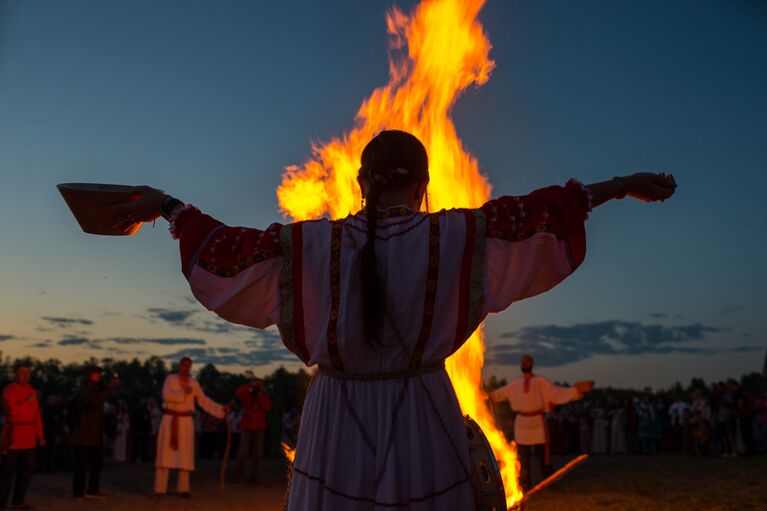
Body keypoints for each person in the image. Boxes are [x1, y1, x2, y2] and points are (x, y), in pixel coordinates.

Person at [108, 129, 676, 509]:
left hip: (335, 420)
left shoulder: (310, 244)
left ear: (359, 183)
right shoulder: (455, 236)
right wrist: (622, 187)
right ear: (422, 185)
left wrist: (166, 206)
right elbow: (541, 214)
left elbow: (224, 252)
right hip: (424, 417)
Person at [490, 355, 592, 490]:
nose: (525, 363)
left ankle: (550, 483)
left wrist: (574, 391)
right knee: (523, 460)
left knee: (543, 458)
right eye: (523, 361)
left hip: (537, 424)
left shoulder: (540, 381)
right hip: (521, 425)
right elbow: (498, 394)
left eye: (527, 361)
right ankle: (525, 485)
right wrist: (483, 395)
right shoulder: (515, 384)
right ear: (521, 365)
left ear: (531, 364)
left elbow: (556, 393)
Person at [154, 357, 227, 498]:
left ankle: (183, 488)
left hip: (186, 421)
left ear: (190, 367)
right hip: (170, 420)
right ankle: (160, 489)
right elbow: (166, 396)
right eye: (184, 365)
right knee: (165, 455)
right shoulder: (170, 379)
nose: (186, 367)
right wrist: (183, 392)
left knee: (185, 455)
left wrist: (221, 410)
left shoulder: (193, 383)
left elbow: (203, 400)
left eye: (188, 365)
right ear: (179, 366)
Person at [1, 363, 44, 510]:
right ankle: (2, 502)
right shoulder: (9, 391)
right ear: (15, 374)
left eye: (28, 373)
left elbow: (36, 415)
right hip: (14, 436)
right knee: (7, 472)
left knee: (25, 472)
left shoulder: (31, 390)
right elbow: (12, 413)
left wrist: (40, 435)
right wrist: (26, 402)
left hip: (29, 437)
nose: (26, 376)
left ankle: (18, 501)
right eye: (22, 373)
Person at [70, 365, 118, 500]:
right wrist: (110, 388)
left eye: (99, 373)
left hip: (96, 434)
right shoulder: (83, 390)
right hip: (83, 434)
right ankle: (78, 492)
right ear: (88, 375)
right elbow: (96, 401)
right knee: (81, 466)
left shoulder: (98, 389)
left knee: (96, 466)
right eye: (95, 373)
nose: (98, 376)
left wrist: (111, 386)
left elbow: (101, 397)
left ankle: (93, 490)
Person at [232, 379, 273, 483]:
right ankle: (236, 475)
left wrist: (260, 394)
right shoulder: (248, 394)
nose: (258, 386)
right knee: (242, 453)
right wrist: (250, 385)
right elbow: (238, 393)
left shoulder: (264, 396)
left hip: (259, 428)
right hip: (247, 427)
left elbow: (268, 407)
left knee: (257, 454)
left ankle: (253, 476)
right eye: (257, 384)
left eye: (260, 384)